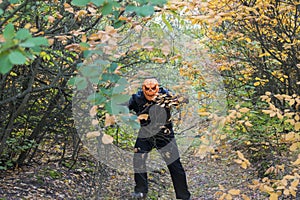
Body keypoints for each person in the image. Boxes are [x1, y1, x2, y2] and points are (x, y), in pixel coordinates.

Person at [128, 78, 191, 200]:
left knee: (174, 164)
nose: (151, 91)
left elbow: (184, 99)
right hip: (146, 133)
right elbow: (123, 108)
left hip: (165, 134)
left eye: (154, 88)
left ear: (158, 87)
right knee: (138, 157)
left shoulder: (165, 95)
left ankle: (183, 196)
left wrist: (178, 98)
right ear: (143, 88)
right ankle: (141, 191)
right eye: (147, 88)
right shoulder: (136, 98)